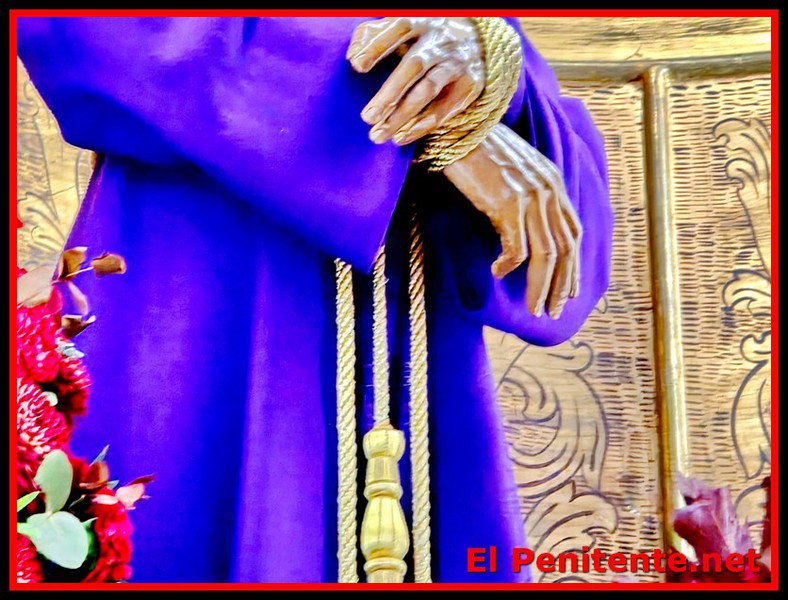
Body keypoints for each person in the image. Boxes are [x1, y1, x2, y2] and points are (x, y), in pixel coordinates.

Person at [17, 16, 613, 583]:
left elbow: (558, 251)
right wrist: (429, 116)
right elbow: (96, 32)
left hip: (415, 351)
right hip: (195, 308)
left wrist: (485, 84)